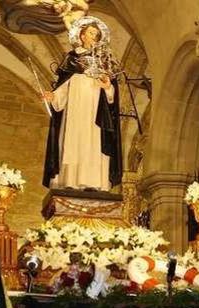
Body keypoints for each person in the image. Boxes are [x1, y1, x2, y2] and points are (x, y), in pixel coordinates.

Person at [42, 16, 122, 191]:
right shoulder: (71, 59)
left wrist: (108, 87)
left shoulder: (104, 61)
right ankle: (70, 181)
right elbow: (64, 86)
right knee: (73, 141)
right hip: (75, 110)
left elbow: (111, 95)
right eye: (91, 33)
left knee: (93, 143)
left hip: (96, 112)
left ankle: (94, 182)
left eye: (96, 34)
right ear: (82, 36)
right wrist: (53, 96)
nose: (94, 37)